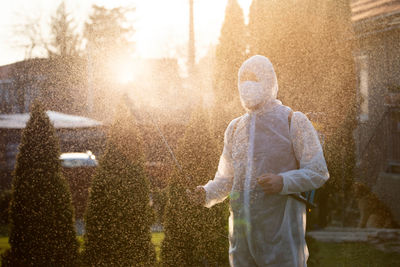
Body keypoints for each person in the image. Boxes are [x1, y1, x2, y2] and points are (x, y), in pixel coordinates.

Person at [190, 55, 329, 266]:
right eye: (243, 79)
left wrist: (282, 181)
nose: (248, 84)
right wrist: (206, 193)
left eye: (254, 78)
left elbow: (318, 171)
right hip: (241, 240)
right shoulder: (235, 128)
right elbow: (227, 179)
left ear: (268, 80)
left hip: (281, 237)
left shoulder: (293, 121)